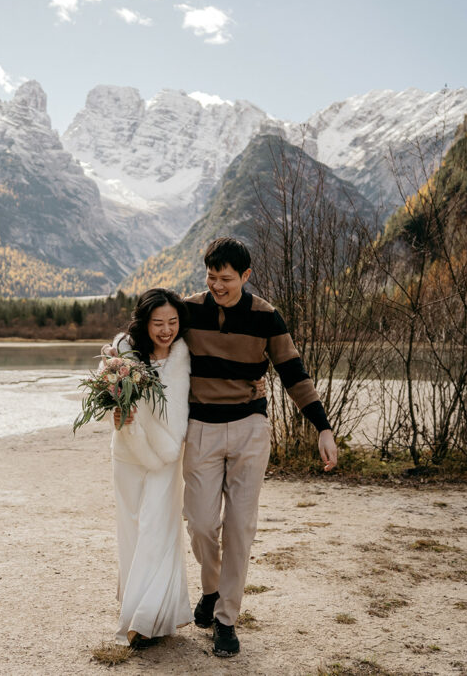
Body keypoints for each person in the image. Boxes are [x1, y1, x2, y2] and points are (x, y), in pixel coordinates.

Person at [182, 237, 338, 658]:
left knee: (239, 527)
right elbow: (154, 338)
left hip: (250, 428)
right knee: (198, 524)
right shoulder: (188, 310)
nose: (217, 285)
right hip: (201, 428)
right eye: (211, 277)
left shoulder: (267, 317)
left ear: (246, 276)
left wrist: (323, 428)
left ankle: (226, 620)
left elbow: (293, 373)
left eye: (226, 279)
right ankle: (211, 590)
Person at [104, 288, 194, 648]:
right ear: (145, 322)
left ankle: (145, 620)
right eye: (158, 323)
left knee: (160, 527)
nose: (166, 330)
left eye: (173, 322)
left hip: (167, 457)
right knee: (131, 528)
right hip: (127, 451)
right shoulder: (124, 352)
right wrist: (115, 407)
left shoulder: (186, 355)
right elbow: (111, 398)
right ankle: (135, 602)